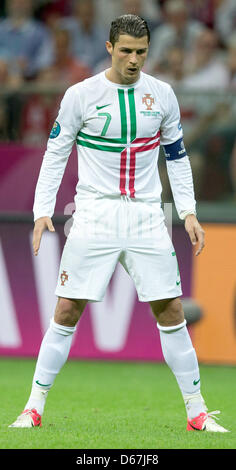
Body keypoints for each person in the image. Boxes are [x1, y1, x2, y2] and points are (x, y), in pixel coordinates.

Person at [9, 14, 228, 432]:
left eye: (141, 52)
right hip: (94, 212)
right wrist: (41, 210)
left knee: (172, 311)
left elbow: (177, 157)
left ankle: (197, 413)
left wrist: (189, 211)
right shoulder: (80, 95)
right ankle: (33, 408)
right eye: (126, 50)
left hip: (147, 213)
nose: (133, 60)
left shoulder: (162, 95)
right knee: (67, 309)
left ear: (149, 51)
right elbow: (55, 154)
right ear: (109, 48)